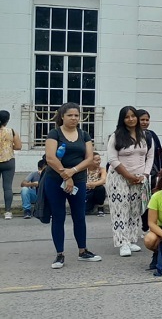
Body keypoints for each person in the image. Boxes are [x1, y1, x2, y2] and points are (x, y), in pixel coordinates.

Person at [43, 102, 102, 268]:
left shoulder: (84, 135)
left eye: (77, 115)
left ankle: (83, 251)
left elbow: (89, 158)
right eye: (70, 115)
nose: (74, 118)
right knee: (59, 216)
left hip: (79, 180)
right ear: (62, 116)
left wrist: (72, 172)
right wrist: (64, 174)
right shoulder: (54, 133)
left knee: (79, 216)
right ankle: (59, 254)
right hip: (55, 180)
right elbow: (50, 158)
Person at [107, 106, 154, 257]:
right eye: (127, 117)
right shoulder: (116, 136)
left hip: (140, 178)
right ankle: (122, 242)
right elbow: (112, 159)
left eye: (133, 116)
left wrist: (145, 175)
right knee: (120, 210)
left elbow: (150, 156)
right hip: (119, 177)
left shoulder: (145, 135)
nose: (131, 119)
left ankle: (131, 239)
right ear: (122, 119)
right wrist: (128, 175)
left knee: (135, 209)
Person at [0, 110, 22, 219]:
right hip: (8, 161)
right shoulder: (12, 131)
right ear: (7, 120)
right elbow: (18, 146)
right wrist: (8, 147)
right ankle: (8, 212)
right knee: (7, 187)